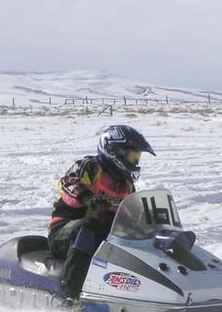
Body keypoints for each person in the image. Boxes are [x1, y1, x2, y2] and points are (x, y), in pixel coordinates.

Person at [48, 125, 155, 299]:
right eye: (132, 156)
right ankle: (69, 296)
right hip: (64, 232)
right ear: (114, 151)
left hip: (103, 232)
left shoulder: (126, 184)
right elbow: (68, 184)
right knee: (88, 228)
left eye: (137, 157)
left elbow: (131, 210)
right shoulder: (89, 166)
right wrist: (88, 198)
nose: (135, 162)